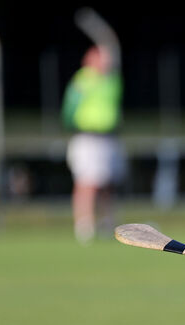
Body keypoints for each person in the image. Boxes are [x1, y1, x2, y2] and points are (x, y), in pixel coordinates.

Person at [62, 44, 126, 244]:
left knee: (108, 183)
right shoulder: (83, 80)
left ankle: (108, 224)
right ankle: (84, 226)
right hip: (87, 137)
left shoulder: (113, 80)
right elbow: (69, 109)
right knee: (86, 183)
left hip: (108, 137)